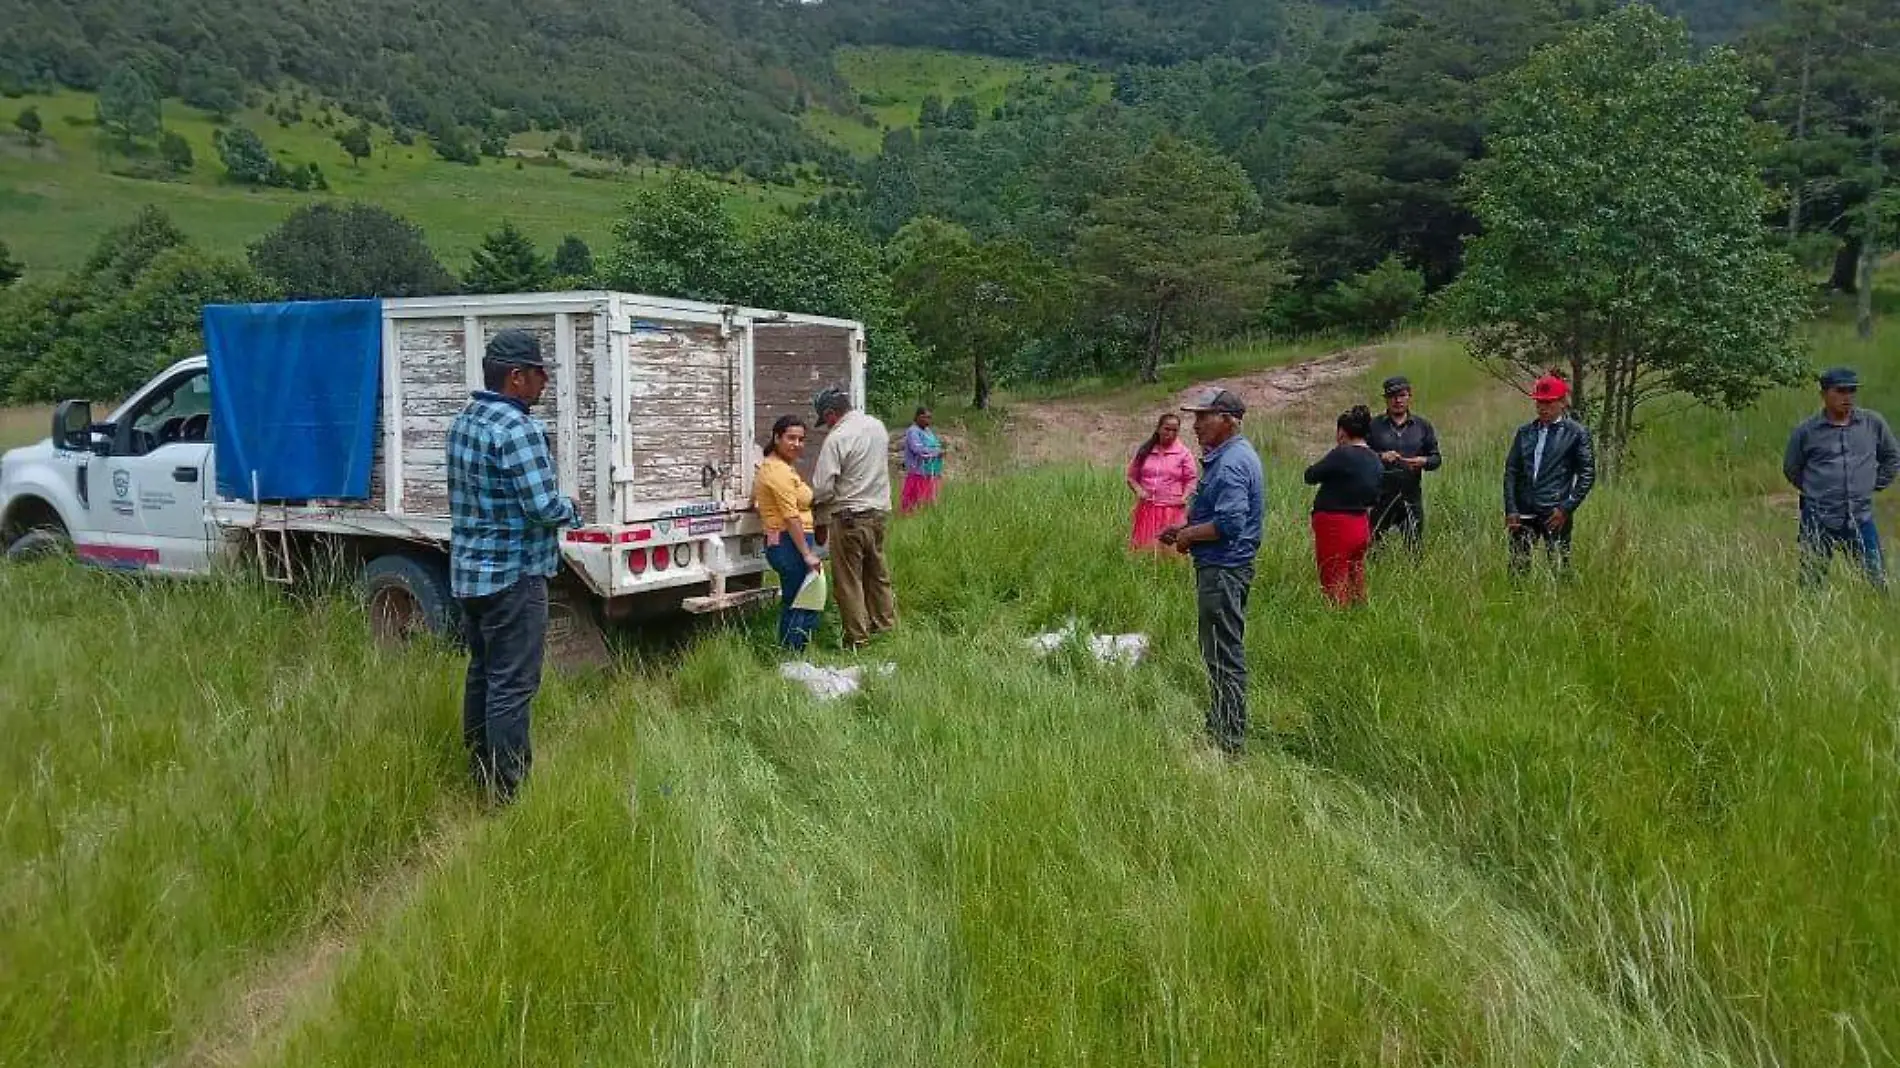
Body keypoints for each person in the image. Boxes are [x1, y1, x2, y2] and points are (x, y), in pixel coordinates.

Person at [447, 328, 580, 804]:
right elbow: (542, 506)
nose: (544, 381)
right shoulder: (517, 429)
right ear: (516, 377)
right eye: (539, 373)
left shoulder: (465, 421)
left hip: (469, 576)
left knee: (482, 673)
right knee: (513, 685)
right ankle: (508, 792)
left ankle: (479, 769)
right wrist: (572, 508)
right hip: (514, 576)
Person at [1160, 389, 1264, 758]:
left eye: (1205, 416)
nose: (1196, 424)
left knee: (1224, 654)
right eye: (1196, 416)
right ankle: (1220, 725)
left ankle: (1228, 740)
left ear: (1229, 420)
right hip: (1221, 565)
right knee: (1219, 650)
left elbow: (1230, 523)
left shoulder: (1233, 462)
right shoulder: (1229, 456)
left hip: (1224, 568)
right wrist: (1187, 527)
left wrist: (1188, 535)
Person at [1783, 366, 1899, 590]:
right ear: (1824, 394)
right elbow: (1792, 468)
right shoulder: (1807, 431)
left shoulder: (1872, 424)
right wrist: (1816, 489)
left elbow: (1892, 457)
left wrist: (1873, 484)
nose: (1847, 397)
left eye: (1852, 391)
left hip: (1860, 516)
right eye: (1841, 391)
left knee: (1876, 579)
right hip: (1819, 517)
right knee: (1811, 582)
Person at [810, 386, 896, 649]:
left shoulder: (837, 438)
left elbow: (824, 488)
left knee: (849, 582)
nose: (826, 426)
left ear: (831, 414)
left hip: (849, 518)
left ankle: (858, 640)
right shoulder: (877, 427)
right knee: (877, 576)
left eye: (825, 421)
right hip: (878, 515)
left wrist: (811, 505)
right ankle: (886, 629)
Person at [1502, 374, 1596, 576]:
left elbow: (1587, 474)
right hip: (1524, 509)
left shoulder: (1576, 434)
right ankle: (1518, 602)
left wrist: (1566, 507)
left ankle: (1561, 604)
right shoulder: (1525, 432)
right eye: (1539, 402)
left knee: (1559, 566)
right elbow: (1511, 471)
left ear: (1562, 403)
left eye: (1548, 402)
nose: (1542, 408)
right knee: (1518, 565)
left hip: (1554, 510)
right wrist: (1511, 508)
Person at [754, 415, 826, 650]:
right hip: (789, 542)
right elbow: (790, 516)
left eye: (801, 439)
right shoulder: (777, 471)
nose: (796, 444)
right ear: (777, 438)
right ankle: (792, 654)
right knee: (799, 599)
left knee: (801, 597)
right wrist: (807, 553)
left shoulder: (784, 468)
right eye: (790, 438)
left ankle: (795, 651)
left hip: (792, 539)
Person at [1304, 405, 1385, 606]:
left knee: (1333, 578)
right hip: (1361, 524)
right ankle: (1359, 615)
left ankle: (1337, 620)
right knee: (1355, 575)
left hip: (1336, 523)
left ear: (1341, 432)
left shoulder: (1342, 454)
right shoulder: (1375, 459)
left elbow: (1311, 475)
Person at [1366, 375, 1442, 552]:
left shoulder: (1422, 426)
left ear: (1409, 396)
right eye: (1393, 396)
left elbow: (1436, 458)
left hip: (1411, 498)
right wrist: (1380, 457)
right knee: (1374, 549)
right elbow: (1361, 456)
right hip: (1380, 499)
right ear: (1386, 399)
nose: (1397, 400)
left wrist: (1423, 461)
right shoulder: (1373, 426)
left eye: (1402, 395)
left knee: (1414, 550)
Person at [1126, 413, 1198, 551]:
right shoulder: (1145, 451)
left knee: (1170, 551)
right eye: (1167, 429)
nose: (1170, 433)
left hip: (1172, 509)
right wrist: (1139, 491)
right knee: (1145, 550)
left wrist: (1184, 497)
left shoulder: (1183, 453)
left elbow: (1191, 479)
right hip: (1147, 509)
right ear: (1158, 429)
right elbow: (1131, 477)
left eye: (1174, 430)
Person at [901, 407, 945, 515]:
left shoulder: (928, 431)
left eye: (930, 418)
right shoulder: (913, 431)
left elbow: (936, 445)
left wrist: (939, 451)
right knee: (915, 499)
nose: (928, 420)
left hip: (931, 470)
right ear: (918, 417)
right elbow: (917, 449)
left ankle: (926, 516)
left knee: (929, 499)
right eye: (926, 417)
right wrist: (935, 453)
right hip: (918, 471)